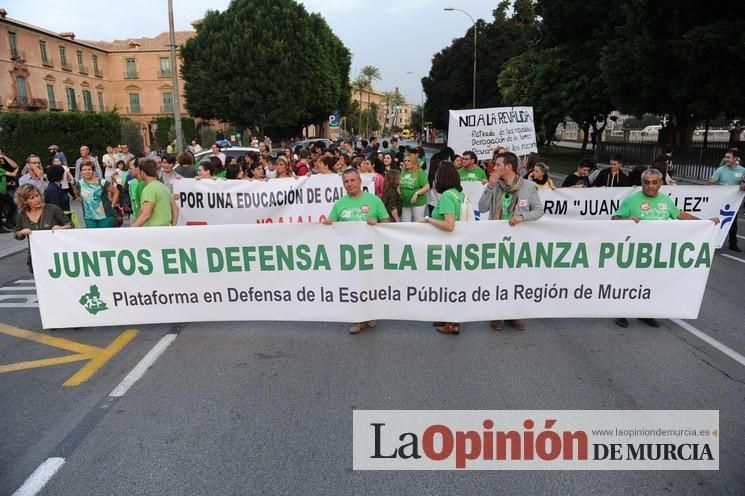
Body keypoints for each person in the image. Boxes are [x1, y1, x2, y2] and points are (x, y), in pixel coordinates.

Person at [612, 168, 719, 328]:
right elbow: (614, 218)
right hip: (634, 252)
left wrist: (705, 223)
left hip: (657, 253)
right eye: (646, 183)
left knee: (651, 284)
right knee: (629, 283)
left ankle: (645, 314)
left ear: (660, 183)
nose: (650, 186)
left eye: (654, 182)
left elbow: (680, 215)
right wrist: (626, 219)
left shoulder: (666, 201)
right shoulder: (631, 200)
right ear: (642, 184)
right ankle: (621, 313)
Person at [479, 151, 545, 331]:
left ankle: (512, 314)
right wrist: (490, 186)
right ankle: (496, 315)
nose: (495, 167)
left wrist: (522, 217)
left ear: (508, 167)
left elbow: (539, 211)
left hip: (518, 239)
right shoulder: (495, 185)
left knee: (515, 278)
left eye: (498, 164)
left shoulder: (529, 187)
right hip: (496, 238)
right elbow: (482, 208)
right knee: (497, 278)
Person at [323, 168, 389, 334]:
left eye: (353, 180)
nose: (350, 184)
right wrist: (325, 224)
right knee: (353, 286)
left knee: (369, 284)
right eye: (346, 181)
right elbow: (330, 223)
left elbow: (387, 221)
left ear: (360, 181)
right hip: (349, 255)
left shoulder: (374, 200)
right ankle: (357, 319)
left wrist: (378, 223)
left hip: (369, 252)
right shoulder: (339, 204)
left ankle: (370, 314)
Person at [418, 161, 464, 334]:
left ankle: (452, 323)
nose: (435, 179)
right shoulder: (457, 194)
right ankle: (447, 318)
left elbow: (449, 225)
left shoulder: (446, 197)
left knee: (449, 284)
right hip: (453, 247)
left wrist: (428, 219)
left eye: (437, 176)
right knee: (449, 283)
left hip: (448, 247)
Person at [14, 184, 71, 272]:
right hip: (36, 256)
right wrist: (21, 232)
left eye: (37, 195)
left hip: (56, 254)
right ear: (24, 201)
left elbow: (70, 224)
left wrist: (62, 228)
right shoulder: (22, 214)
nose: (37, 199)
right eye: (32, 198)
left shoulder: (52, 209)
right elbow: (17, 233)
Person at [707, 148, 745, 251]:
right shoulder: (721, 170)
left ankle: (733, 244)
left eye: (728, 157)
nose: (726, 159)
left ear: (735, 158)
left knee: (733, 223)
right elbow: (711, 182)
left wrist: (743, 185)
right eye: (725, 157)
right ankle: (712, 241)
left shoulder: (742, 170)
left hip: (734, 202)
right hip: (721, 201)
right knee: (717, 221)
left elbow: (743, 185)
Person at [132, 158, 179, 227]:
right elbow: (176, 209)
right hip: (166, 229)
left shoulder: (149, 189)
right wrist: (173, 226)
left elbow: (146, 214)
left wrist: (132, 229)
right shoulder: (164, 187)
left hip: (153, 231)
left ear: (142, 172)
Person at [75, 160, 119, 228]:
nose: (87, 171)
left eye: (89, 169)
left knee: (105, 237)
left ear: (93, 171)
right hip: (89, 218)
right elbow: (78, 197)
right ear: (81, 172)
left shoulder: (102, 182)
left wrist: (112, 205)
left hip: (106, 217)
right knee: (93, 238)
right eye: (84, 170)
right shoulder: (79, 184)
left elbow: (116, 192)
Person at [400, 153, 430, 222]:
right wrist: (398, 189)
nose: (406, 162)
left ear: (413, 162)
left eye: (408, 161)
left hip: (418, 203)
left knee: (417, 223)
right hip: (405, 202)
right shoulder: (403, 171)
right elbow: (401, 183)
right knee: (405, 223)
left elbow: (427, 186)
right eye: (405, 161)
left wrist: (417, 193)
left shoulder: (419, 171)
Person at [0, 148, 20, 231]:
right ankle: (2, 226)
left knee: (12, 204)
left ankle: (7, 222)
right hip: (1, 192)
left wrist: (8, 183)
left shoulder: (2, 168)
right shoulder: (1, 169)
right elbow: (13, 173)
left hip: (4, 191)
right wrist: (17, 168)